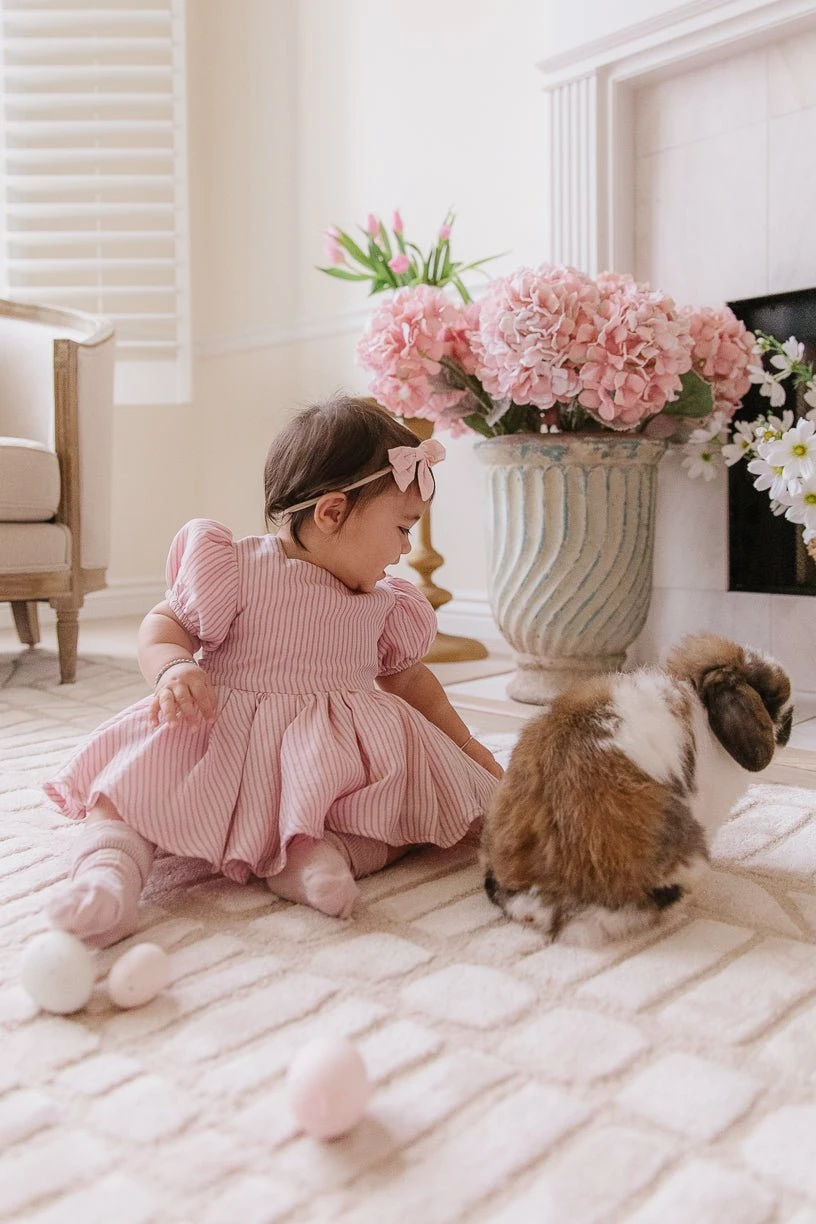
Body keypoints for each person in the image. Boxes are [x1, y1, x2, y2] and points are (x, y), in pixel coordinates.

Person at [44, 396, 502, 946]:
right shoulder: (234, 568)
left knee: (409, 810)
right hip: (221, 735)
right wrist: (173, 667)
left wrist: (465, 746)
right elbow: (165, 623)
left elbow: (410, 682)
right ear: (332, 513)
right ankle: (108, 874)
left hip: (327, 752)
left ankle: (319, 856)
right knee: (129, 790)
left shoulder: (385, 603)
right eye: (403, 528)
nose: (405, 548)